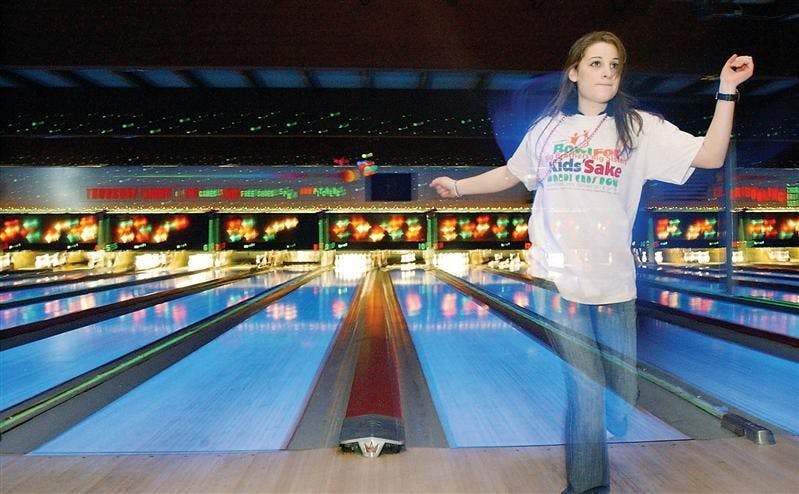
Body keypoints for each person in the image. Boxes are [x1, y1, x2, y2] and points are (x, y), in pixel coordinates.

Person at [430, 31, 753, 493]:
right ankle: (587, 486)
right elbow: (511, 174)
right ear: (574, 71)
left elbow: (710, 154)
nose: (606, 72)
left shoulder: (638, 128)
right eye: (596, 63)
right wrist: (458, 187)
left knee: (619, 390)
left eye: (614, 65)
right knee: (585, 389)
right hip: (556, 281)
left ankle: (618, 408)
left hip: (614, 281)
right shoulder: (546, 131)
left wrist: (726, 90)